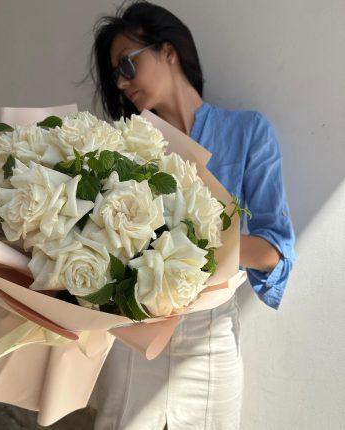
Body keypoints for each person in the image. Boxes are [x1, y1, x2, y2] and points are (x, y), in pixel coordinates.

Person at [87, 1, 296, 429]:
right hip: (132, 335)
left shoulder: (248, 133)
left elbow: (274, 251)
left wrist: (186, 248)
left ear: (168, 51)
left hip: (209, 341)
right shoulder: (122, 146)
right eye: (115, 75)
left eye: (127, 64)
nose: (122, 82)